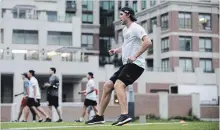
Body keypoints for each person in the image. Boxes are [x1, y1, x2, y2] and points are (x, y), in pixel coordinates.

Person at [86, 7, 152, 126]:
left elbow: (148, 42)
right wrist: (116, 50)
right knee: (107, 86)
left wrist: (135, 56)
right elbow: (127, 46)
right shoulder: (125, 30)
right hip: (127, 64)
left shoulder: (137, 28)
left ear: (128, 14)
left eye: (121, 14)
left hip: (136, 65)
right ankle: (99, 116)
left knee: (118, 84)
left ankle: (124, 115)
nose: (119, 17)